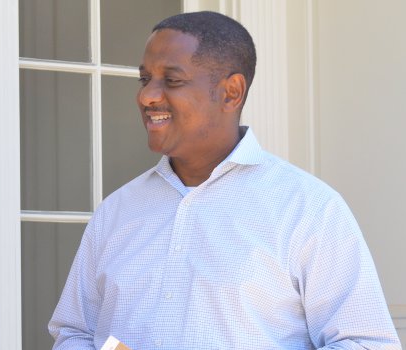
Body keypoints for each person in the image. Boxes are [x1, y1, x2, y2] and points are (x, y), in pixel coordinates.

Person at [49, 11, 401, 349]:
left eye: (171, 80)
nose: (147, 96)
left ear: (231, 92)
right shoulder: (116, 212)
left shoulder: (309, 209)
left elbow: (365, 344)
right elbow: (76, 333)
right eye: (145, 79)